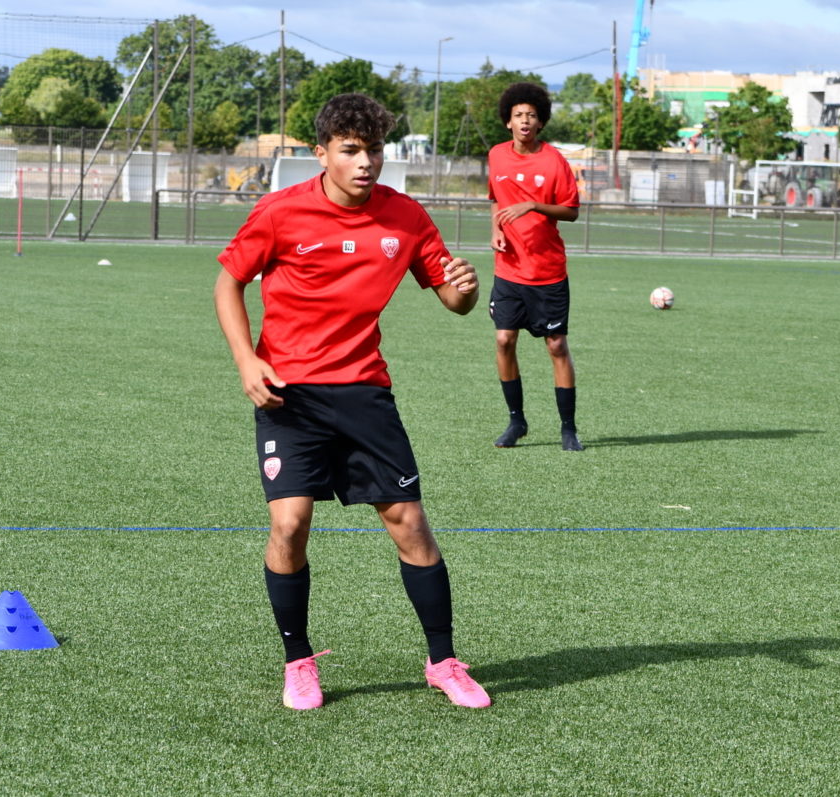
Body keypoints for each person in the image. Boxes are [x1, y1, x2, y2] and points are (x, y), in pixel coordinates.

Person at [213, 93, 491, 711]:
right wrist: (246, 361)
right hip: (290, 394)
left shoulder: (406, 217)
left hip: (365, 392)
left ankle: (444, 662)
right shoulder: (281, 212)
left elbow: (451, 298)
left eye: (374, 151)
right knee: (289, 525)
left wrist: (464, 291)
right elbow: (228, 281)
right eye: (351, 151)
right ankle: (298, 663)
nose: (366, 163)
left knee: (409, 524)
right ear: (322, 154)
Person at [487, 82, 582, 451]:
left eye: (531, 115)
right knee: (503, 339)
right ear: (508, 122)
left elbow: (571, 212)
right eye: (518, 115)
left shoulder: (554, 161)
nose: (525, 120)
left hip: (547, 271)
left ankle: (568, 428)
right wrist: (495, 229)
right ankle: (516, 422)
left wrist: (534, 206)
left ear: (540, 122)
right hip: (508, 269)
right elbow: (495, 199)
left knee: (556, 345)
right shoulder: (496, 156)